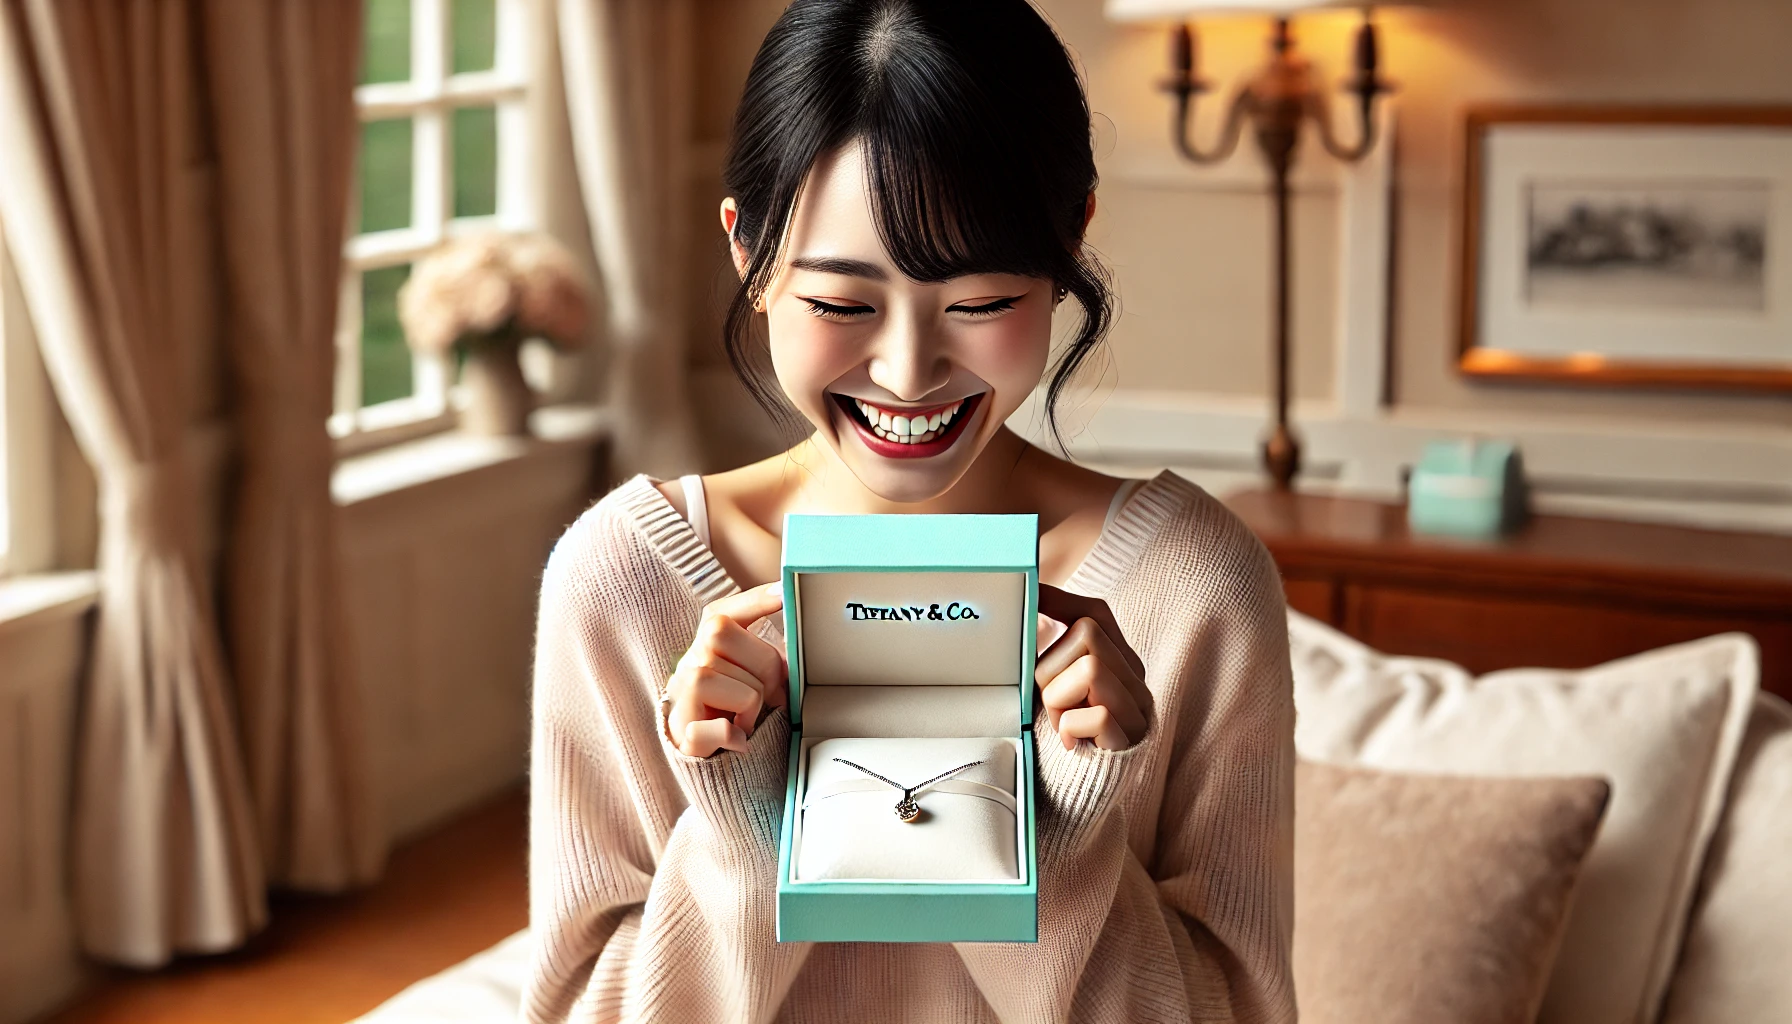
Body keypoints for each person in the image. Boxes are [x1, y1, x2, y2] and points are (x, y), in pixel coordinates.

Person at [522, 2, 1296, 1021]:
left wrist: (1055, 828)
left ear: (1069, 241)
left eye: (977, 303)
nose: (906, 371)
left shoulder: (1190, 588)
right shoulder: (626, 582)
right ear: (748, 254)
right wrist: (740, 816)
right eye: (842, 303)